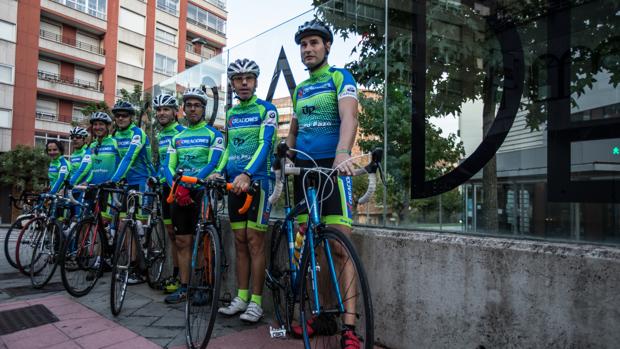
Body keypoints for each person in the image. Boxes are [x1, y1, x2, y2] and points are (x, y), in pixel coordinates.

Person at [286, 20, 361, 348]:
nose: (308, 49)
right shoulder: (301, 89)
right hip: (303, 172)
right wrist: (286, 155)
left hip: (333, 169)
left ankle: (348, 328)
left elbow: (350, 117)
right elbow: (294, 128)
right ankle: (319, 314)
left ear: (327, 46)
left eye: (314, 42)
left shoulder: (339, 77)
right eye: (303, 44)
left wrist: (343, 153)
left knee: (340, 248)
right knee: (310, 247)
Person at [215, 59, 278, 323]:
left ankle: (256, 302)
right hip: (233, 184)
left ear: (255, 81)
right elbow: (229, 148)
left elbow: (265, 145)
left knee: (254, 241)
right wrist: (219, 170)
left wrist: (247, 173)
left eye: (248, 78)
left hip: (258, 182)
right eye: (238, 79)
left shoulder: (268, 110)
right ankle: (241, 297)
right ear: (231, 84)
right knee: (239, 241)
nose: (243, 83)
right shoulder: (231, 114)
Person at [163, 87, 224, 304]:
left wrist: (189, 186)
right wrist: (177, 188)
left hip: (201, 192)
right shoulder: (176, 137)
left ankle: (205, 285)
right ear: (183, 109)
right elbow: (168, 166)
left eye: (197, 105)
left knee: (203, 240)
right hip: (180, 193)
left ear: (204, 109)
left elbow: (213, 163)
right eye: (188, 105)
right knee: (182, 241)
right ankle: (185, 287)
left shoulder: (214, 135)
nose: (192, 109)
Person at [153, 93, 185, 294]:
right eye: (158, 110)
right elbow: (160, 163)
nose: (161, 113)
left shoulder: (181, 132)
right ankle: (175, 274)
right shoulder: (159, 135)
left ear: (175, 112)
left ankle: (184, 278)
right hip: (164, 189)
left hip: (179, 189)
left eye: (166, 109)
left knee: (182, 236)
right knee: (172, 235)